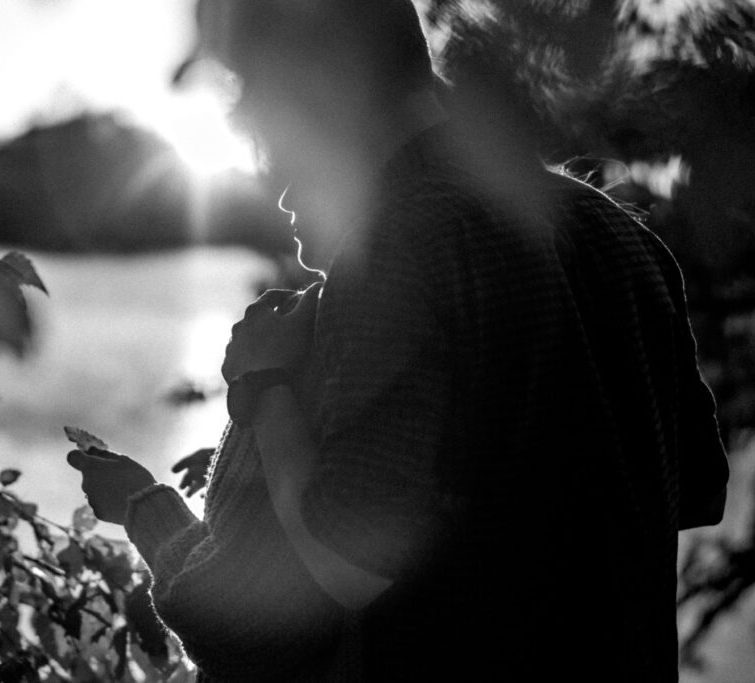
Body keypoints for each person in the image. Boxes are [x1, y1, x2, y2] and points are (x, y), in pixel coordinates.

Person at [65, 1, 730, 680]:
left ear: (323, 84)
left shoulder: (398, 244)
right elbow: (698, 488)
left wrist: (263, 385)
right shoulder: (625, 239)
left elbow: (339, 566)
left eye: (258, 99)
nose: (260, 147)